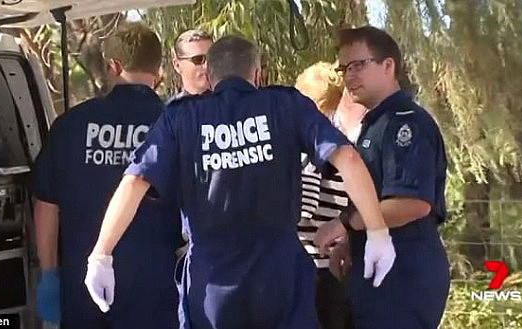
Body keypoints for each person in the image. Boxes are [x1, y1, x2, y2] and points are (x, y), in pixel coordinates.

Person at [84, 35, 396, 329]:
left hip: (213, 283)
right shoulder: (286, 105)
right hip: (280, 277)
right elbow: (348, 158)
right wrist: (378, 231)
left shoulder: (181, 117)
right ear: (258, 74)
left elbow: (135, 180)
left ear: (209, 76)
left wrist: (102, 253)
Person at [33, 22, 181, 329]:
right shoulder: (176, 122)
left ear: (113, 66)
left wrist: (50, 274)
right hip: (157, 290)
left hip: (83, 288)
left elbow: (47, 206)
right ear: (159, 67)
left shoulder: (69, 125)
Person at [315, 26, 450, 329]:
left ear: (388, 66)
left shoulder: (406, 124)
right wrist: (351, 240)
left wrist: (345, 223)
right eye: (344, 68)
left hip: (404, 271)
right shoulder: (375, 124)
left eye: (359, 65)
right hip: (373, 272)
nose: (349, 76)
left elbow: (411, 203)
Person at [295, 62, 362, 329]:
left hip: (313, 267)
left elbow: (302, 211)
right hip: (336, 270)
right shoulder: (343, 148)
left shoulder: (310, 152)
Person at [169, 29, 214, 101]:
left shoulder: (232, 106)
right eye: (198, 59)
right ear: (177, 65)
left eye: (211, 58)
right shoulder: (170, 110)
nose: (206, 65)